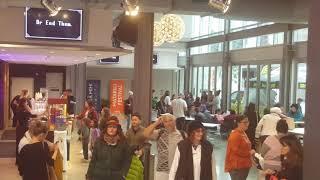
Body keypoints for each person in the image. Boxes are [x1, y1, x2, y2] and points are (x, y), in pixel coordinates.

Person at [144, 113, 186, 180]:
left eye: (170, 120)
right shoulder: (160, 133)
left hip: (178, 171)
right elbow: (145, 133)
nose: (168, 123)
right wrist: (157, 122)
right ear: (163, 123)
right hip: (162, 170)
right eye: (165, 121)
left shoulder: (183, 135)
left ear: (175, 121)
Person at [225, 115, 255, 180]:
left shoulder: (243, 133)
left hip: (243, 165)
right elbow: (236, 151)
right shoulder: (235, 135)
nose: (247, 124)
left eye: (248, 122)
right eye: (245, 122)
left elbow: (246, 147)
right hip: (237, 166)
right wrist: (250, 153)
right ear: (238, 123)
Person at [15, 98, 33, 164]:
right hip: (22, 128)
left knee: (21, 144)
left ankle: (19, 160)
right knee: (20, 144)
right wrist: (27, 107)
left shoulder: (21, 109)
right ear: (23, 103)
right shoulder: (21, 110)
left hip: (21, 128)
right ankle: (19, 161)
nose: (27, 104)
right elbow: (31, 112)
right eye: (26, 103)